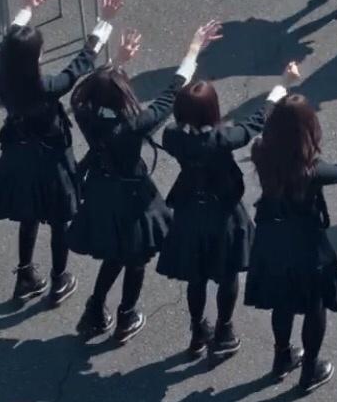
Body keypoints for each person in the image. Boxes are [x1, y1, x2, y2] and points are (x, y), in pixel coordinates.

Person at [68, 19, 223, 344]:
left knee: (114, 253)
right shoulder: (135, 124)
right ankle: (126, 314)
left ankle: (95, 308)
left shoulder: (83, 110)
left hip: (100, 190)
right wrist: (193, 49)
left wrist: (117, 62)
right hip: (133, 198)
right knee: (135, 257)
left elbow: (94, 87)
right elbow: (173, 92)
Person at [0, 0, 122, 304]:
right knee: (58, 219)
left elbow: (9, 41)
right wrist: (105, 21)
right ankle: (59, 278)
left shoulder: (2, 77)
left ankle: (25, 275)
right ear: (34, 59)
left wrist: (27, 9)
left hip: (20, 157)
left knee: (28, 216)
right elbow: (83, 60)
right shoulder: (48, 86)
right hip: (53, 163)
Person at [156, 63, 301, 359]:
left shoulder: (172, 137)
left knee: (196, 277)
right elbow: (258, 119)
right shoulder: (222, 140)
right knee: (227, 274)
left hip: (189, 212)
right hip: (223, 215)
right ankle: (224, 330)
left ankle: (198, 330)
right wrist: (283, 84)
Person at [244, 94, 337, 393]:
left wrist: (278, 95)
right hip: (307, 247)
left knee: (281, 303)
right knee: (315, 306)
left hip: (272, 241)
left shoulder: (261, 152)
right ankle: (310, 369)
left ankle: (282, 356)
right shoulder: (311, 171)